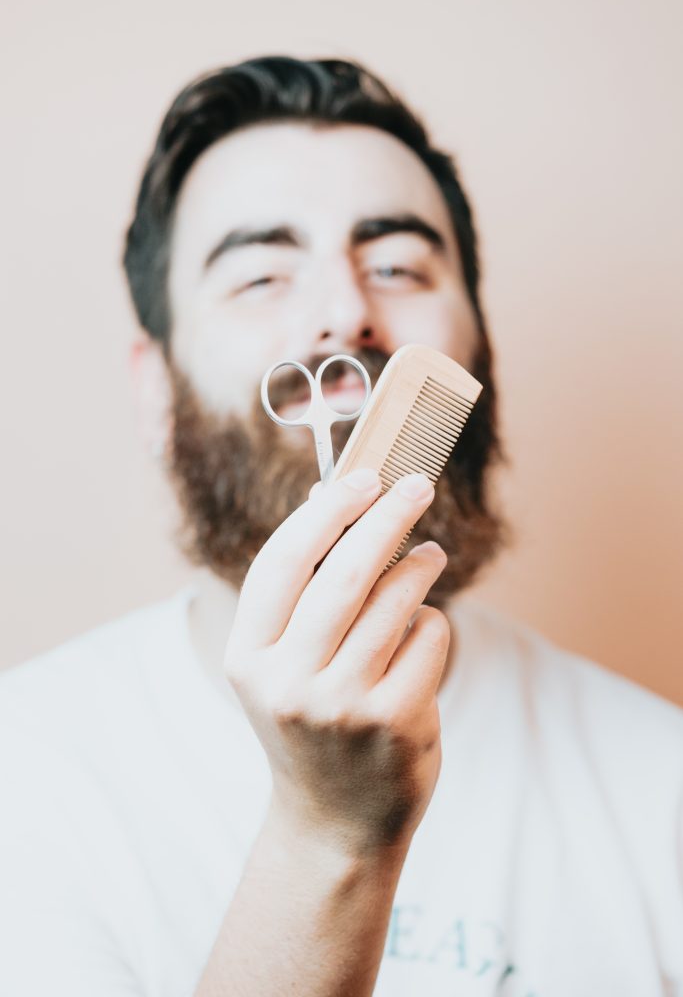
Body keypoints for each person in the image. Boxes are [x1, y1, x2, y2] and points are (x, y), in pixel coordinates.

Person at [1, 56, 681, 997]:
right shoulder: (23, 776)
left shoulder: (661, 780)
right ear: (154, 391)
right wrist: (329, 833)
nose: (344, 314)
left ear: (480, 347)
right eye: (261, 276)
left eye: (397, 265)